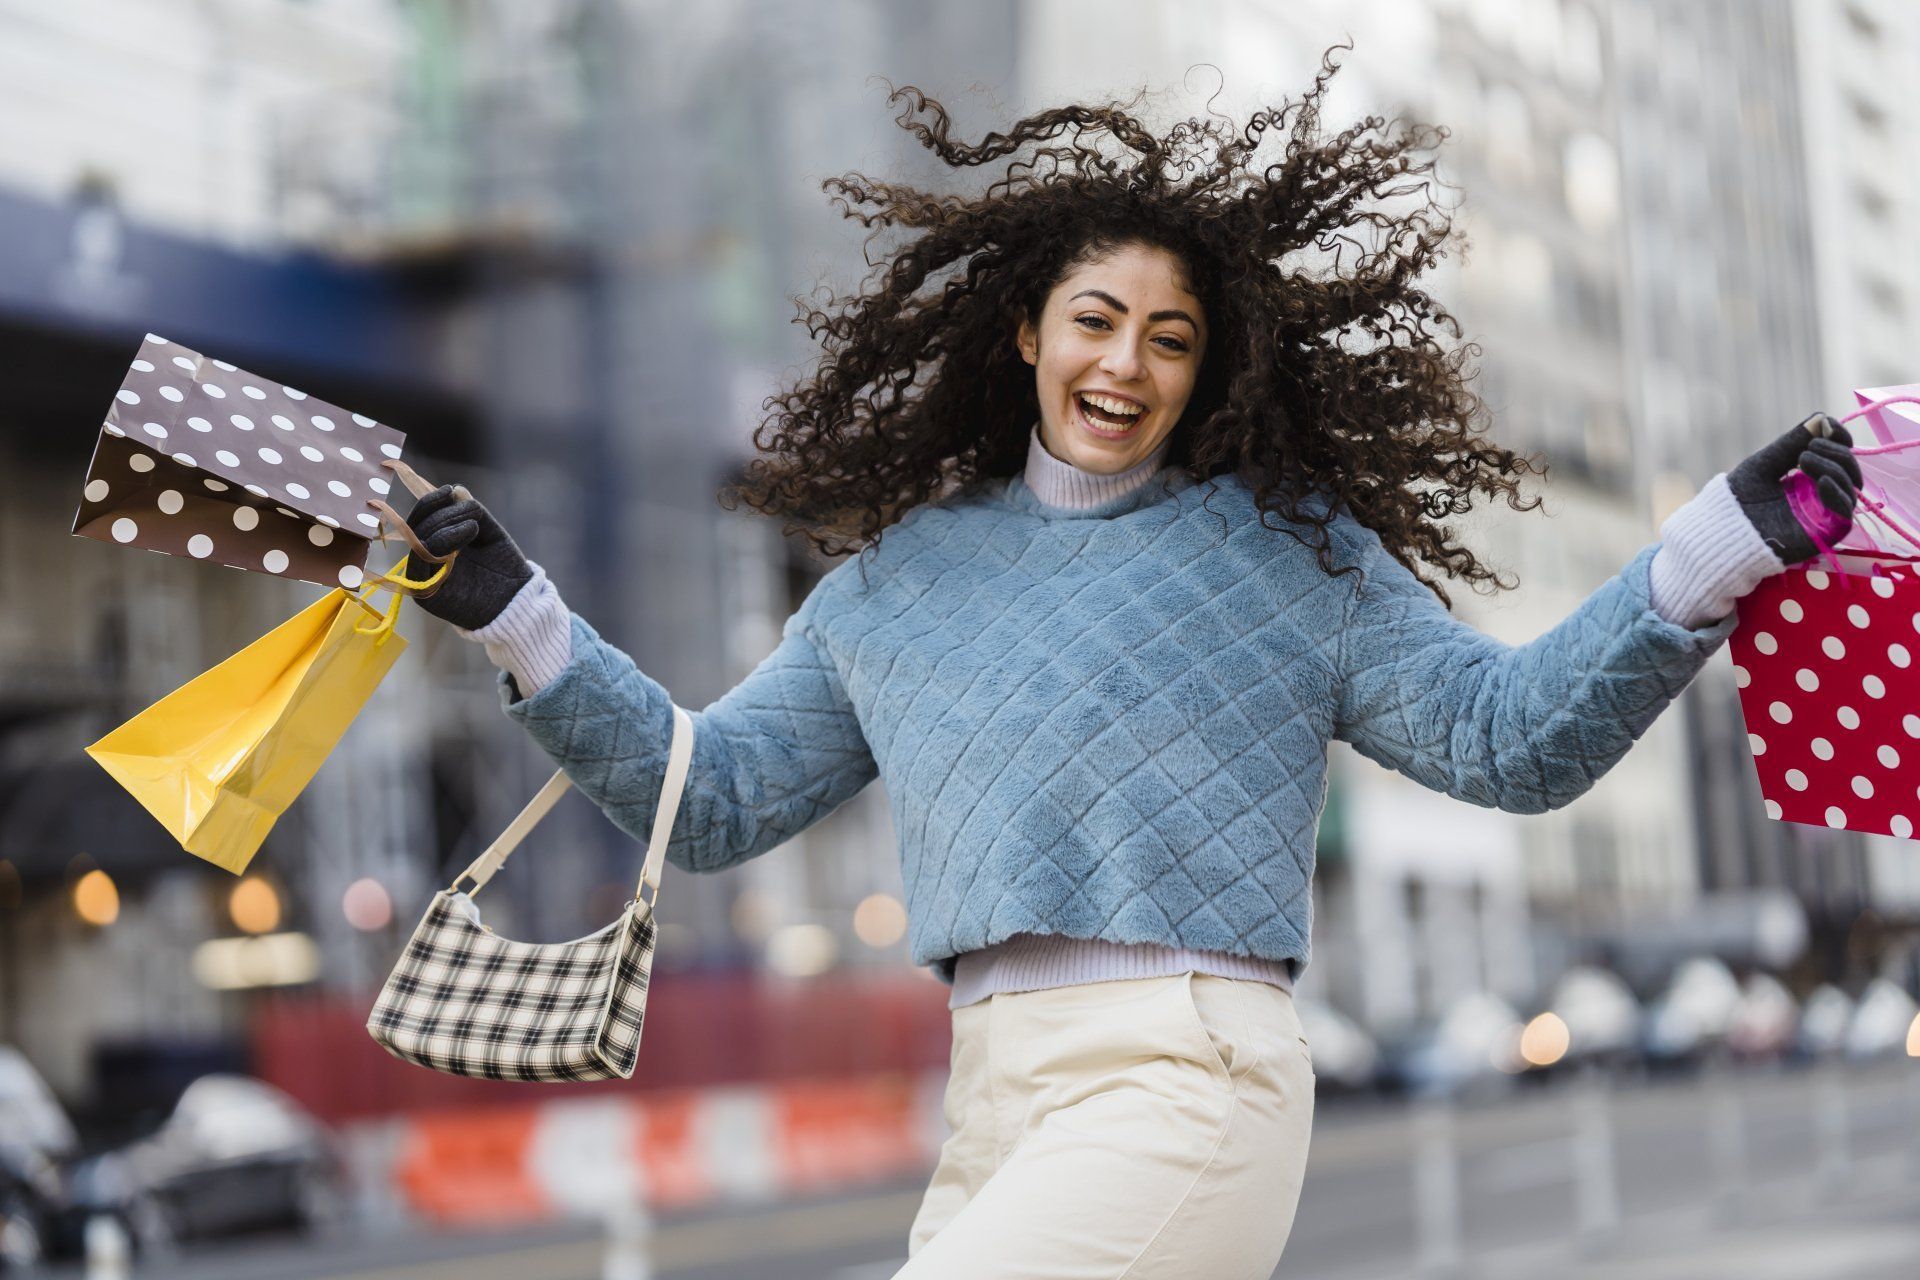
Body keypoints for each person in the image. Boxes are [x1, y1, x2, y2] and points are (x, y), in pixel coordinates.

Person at [400, 53, 1861, 1280]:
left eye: (1172, 338)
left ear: (1205, 368)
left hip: (1189, 1076)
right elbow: (707, 801)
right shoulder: (895, 584)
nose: (1128, 364)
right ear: (1028, 330)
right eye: (1097, 320)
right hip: (990, 1097)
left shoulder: (1292, 556)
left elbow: (1512, 740)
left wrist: (1715, 548)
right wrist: (519, 617)